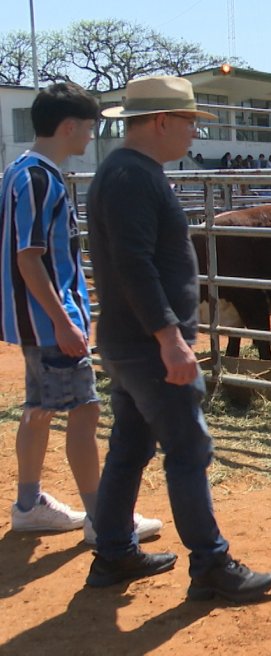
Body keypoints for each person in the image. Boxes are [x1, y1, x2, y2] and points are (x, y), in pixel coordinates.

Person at [84, 75, 271, 602]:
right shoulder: (133, 178)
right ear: (162, 121)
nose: (193, 132)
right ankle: (212, 565)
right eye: (190, 121)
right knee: (188, 448)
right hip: (148, 346)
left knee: (129, 445)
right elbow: (134, 264)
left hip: (128, 341)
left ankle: (114, 553)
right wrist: (170, 338)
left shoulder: (126, 173)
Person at [1, 82, 161, 546]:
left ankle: (29, 504)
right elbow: (29, 257)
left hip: (34, 319)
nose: (90, 138)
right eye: (89, 129)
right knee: (85, 410)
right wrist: (64, 321)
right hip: (50, 319)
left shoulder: (18, 171)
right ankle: (103, 518)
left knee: (39, 408)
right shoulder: (40, 179)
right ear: (69, 126)